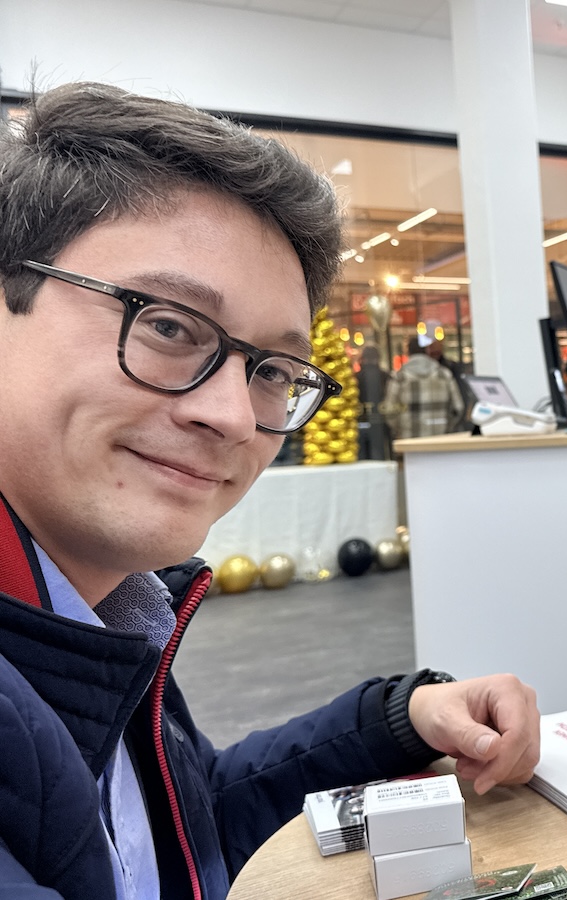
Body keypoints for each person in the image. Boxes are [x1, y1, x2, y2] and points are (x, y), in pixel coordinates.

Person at [0, 82, 538, 900]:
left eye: (272, 371)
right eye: (169, 325)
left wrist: (394, 721)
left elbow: (175, 828)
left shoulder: (100, 607)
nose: (231, 415)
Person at [383, 333, 465, 438]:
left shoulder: (399, 377)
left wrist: (400, 429)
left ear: (408, 352)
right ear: (427, 351)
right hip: (440, 438)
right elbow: (458, 408)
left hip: (410, 440)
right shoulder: (444, 374)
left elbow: (390, 410)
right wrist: (447, 427)